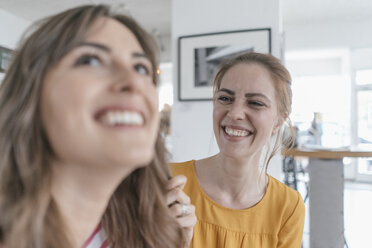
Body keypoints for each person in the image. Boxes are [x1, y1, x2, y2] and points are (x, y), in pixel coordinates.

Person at [0, 5, 195, 248]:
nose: (133, 81)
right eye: (91, 60)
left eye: (141, 68)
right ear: (30, 92)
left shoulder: (138, 230)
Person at [171, 52, 305, 247]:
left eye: (256, 103)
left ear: (279, 120)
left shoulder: (288, 207)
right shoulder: (169, 181)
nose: (234, 113)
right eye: (225, 98)